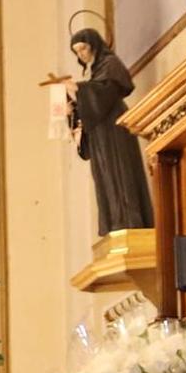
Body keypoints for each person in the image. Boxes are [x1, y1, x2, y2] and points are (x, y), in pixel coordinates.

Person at [68, 28, 155, 234]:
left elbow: (104, 93)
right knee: (105, 176)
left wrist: (77, 90)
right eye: (77, 52)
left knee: (119, 172)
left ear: (94, 44)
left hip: (113, 128)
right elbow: (91, 100)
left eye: (83, 48)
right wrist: (73, 107)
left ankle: (128, 221)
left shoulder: (110, 64)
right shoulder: (97, 72)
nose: (81, 54)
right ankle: (114, 223)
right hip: (100, 132)